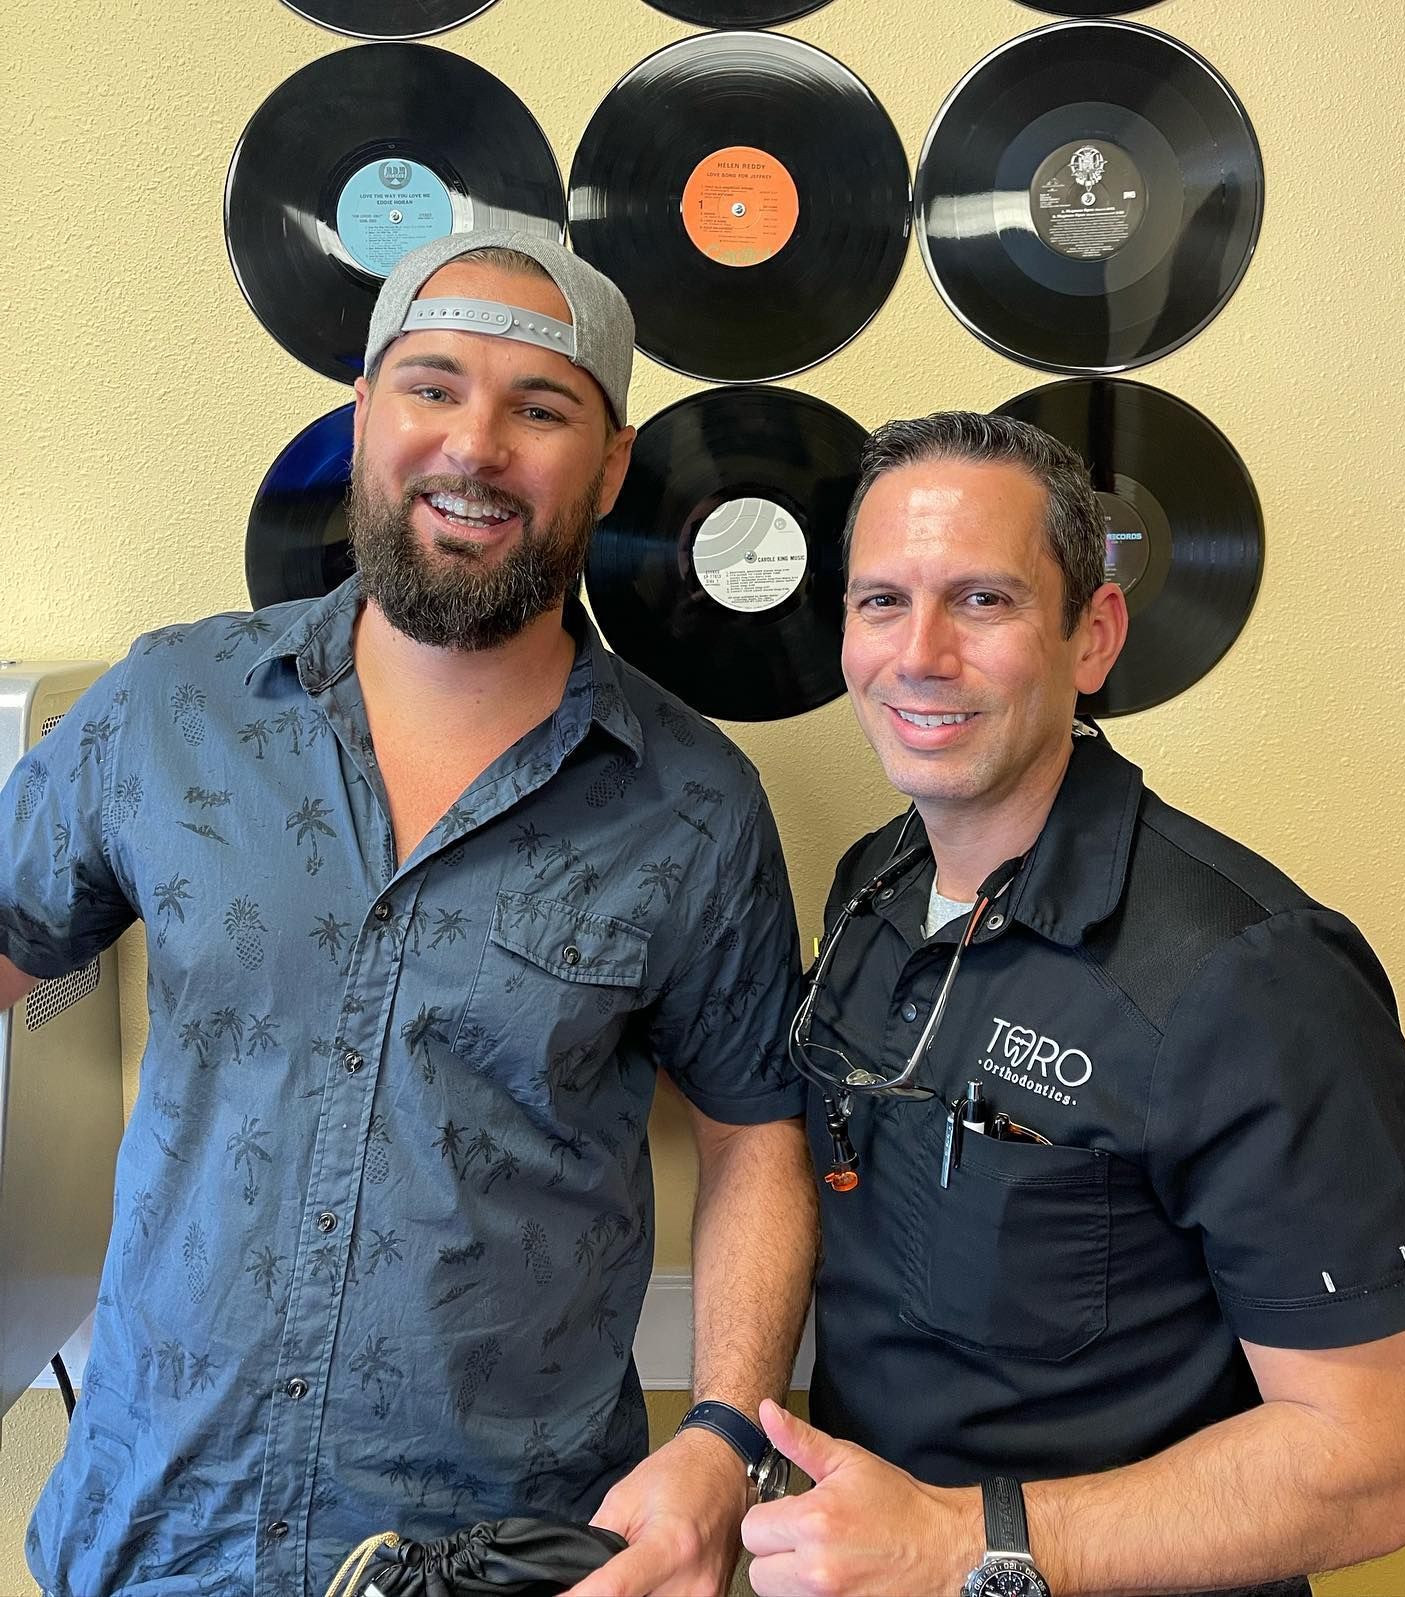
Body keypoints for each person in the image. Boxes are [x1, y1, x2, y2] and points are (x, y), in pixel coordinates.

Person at [0, 230, 818, 1597]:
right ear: (366, 410)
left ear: (609, 463)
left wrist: (726, 1436)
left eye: (540, 406)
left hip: (511, 1558)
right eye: (431, 385)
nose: (474, 444)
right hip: (153, 1537)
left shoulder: (694, 804)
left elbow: (755, 1144)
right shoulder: (166, 711)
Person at [740, 411, 1405, 1597]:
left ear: (1094, 635)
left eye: (983, 601)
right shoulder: (872, 885)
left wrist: (962, 1542)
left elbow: (1373, 1461)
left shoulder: (1256, 977)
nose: (919, 654)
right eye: (880, 602)